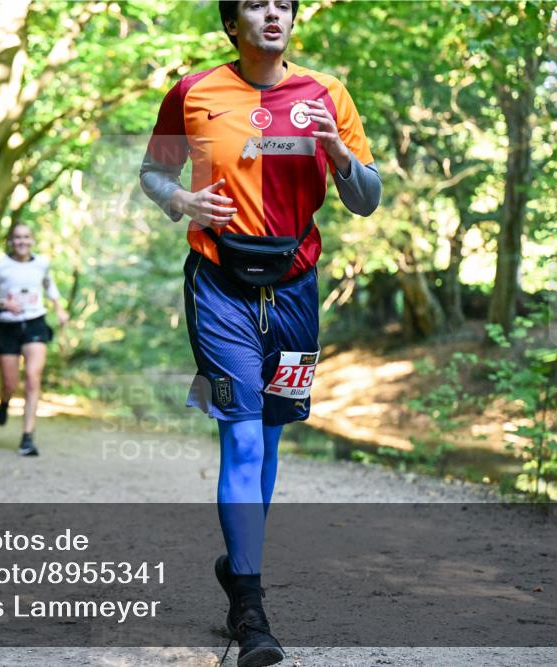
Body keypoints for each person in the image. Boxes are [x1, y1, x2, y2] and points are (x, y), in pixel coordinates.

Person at [139, 2, 381, 665]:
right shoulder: (192, 92)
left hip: (297, 289)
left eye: (283, 2)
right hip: (218, 286)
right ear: (232, 21)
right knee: (242, 434)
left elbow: (367, 196)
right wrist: (181, 200)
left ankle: (239, 559)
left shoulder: (327, 94)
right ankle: (250, 605)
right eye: (255, 2)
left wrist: (339, 156)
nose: (272, 13)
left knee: (270, 436)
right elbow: (154, 172)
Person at [0, 222, 68, 456]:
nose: (22, 242)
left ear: (33, 240)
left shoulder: (42, 264)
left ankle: (27, 436)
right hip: (7, 326)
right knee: (9, 382)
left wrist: (59, 309)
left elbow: (50, 286)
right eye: (17, 237)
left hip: (35, 323)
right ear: (10, 241)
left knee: (32, 377)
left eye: (26, 237)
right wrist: (3, 303)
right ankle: (5, 401)